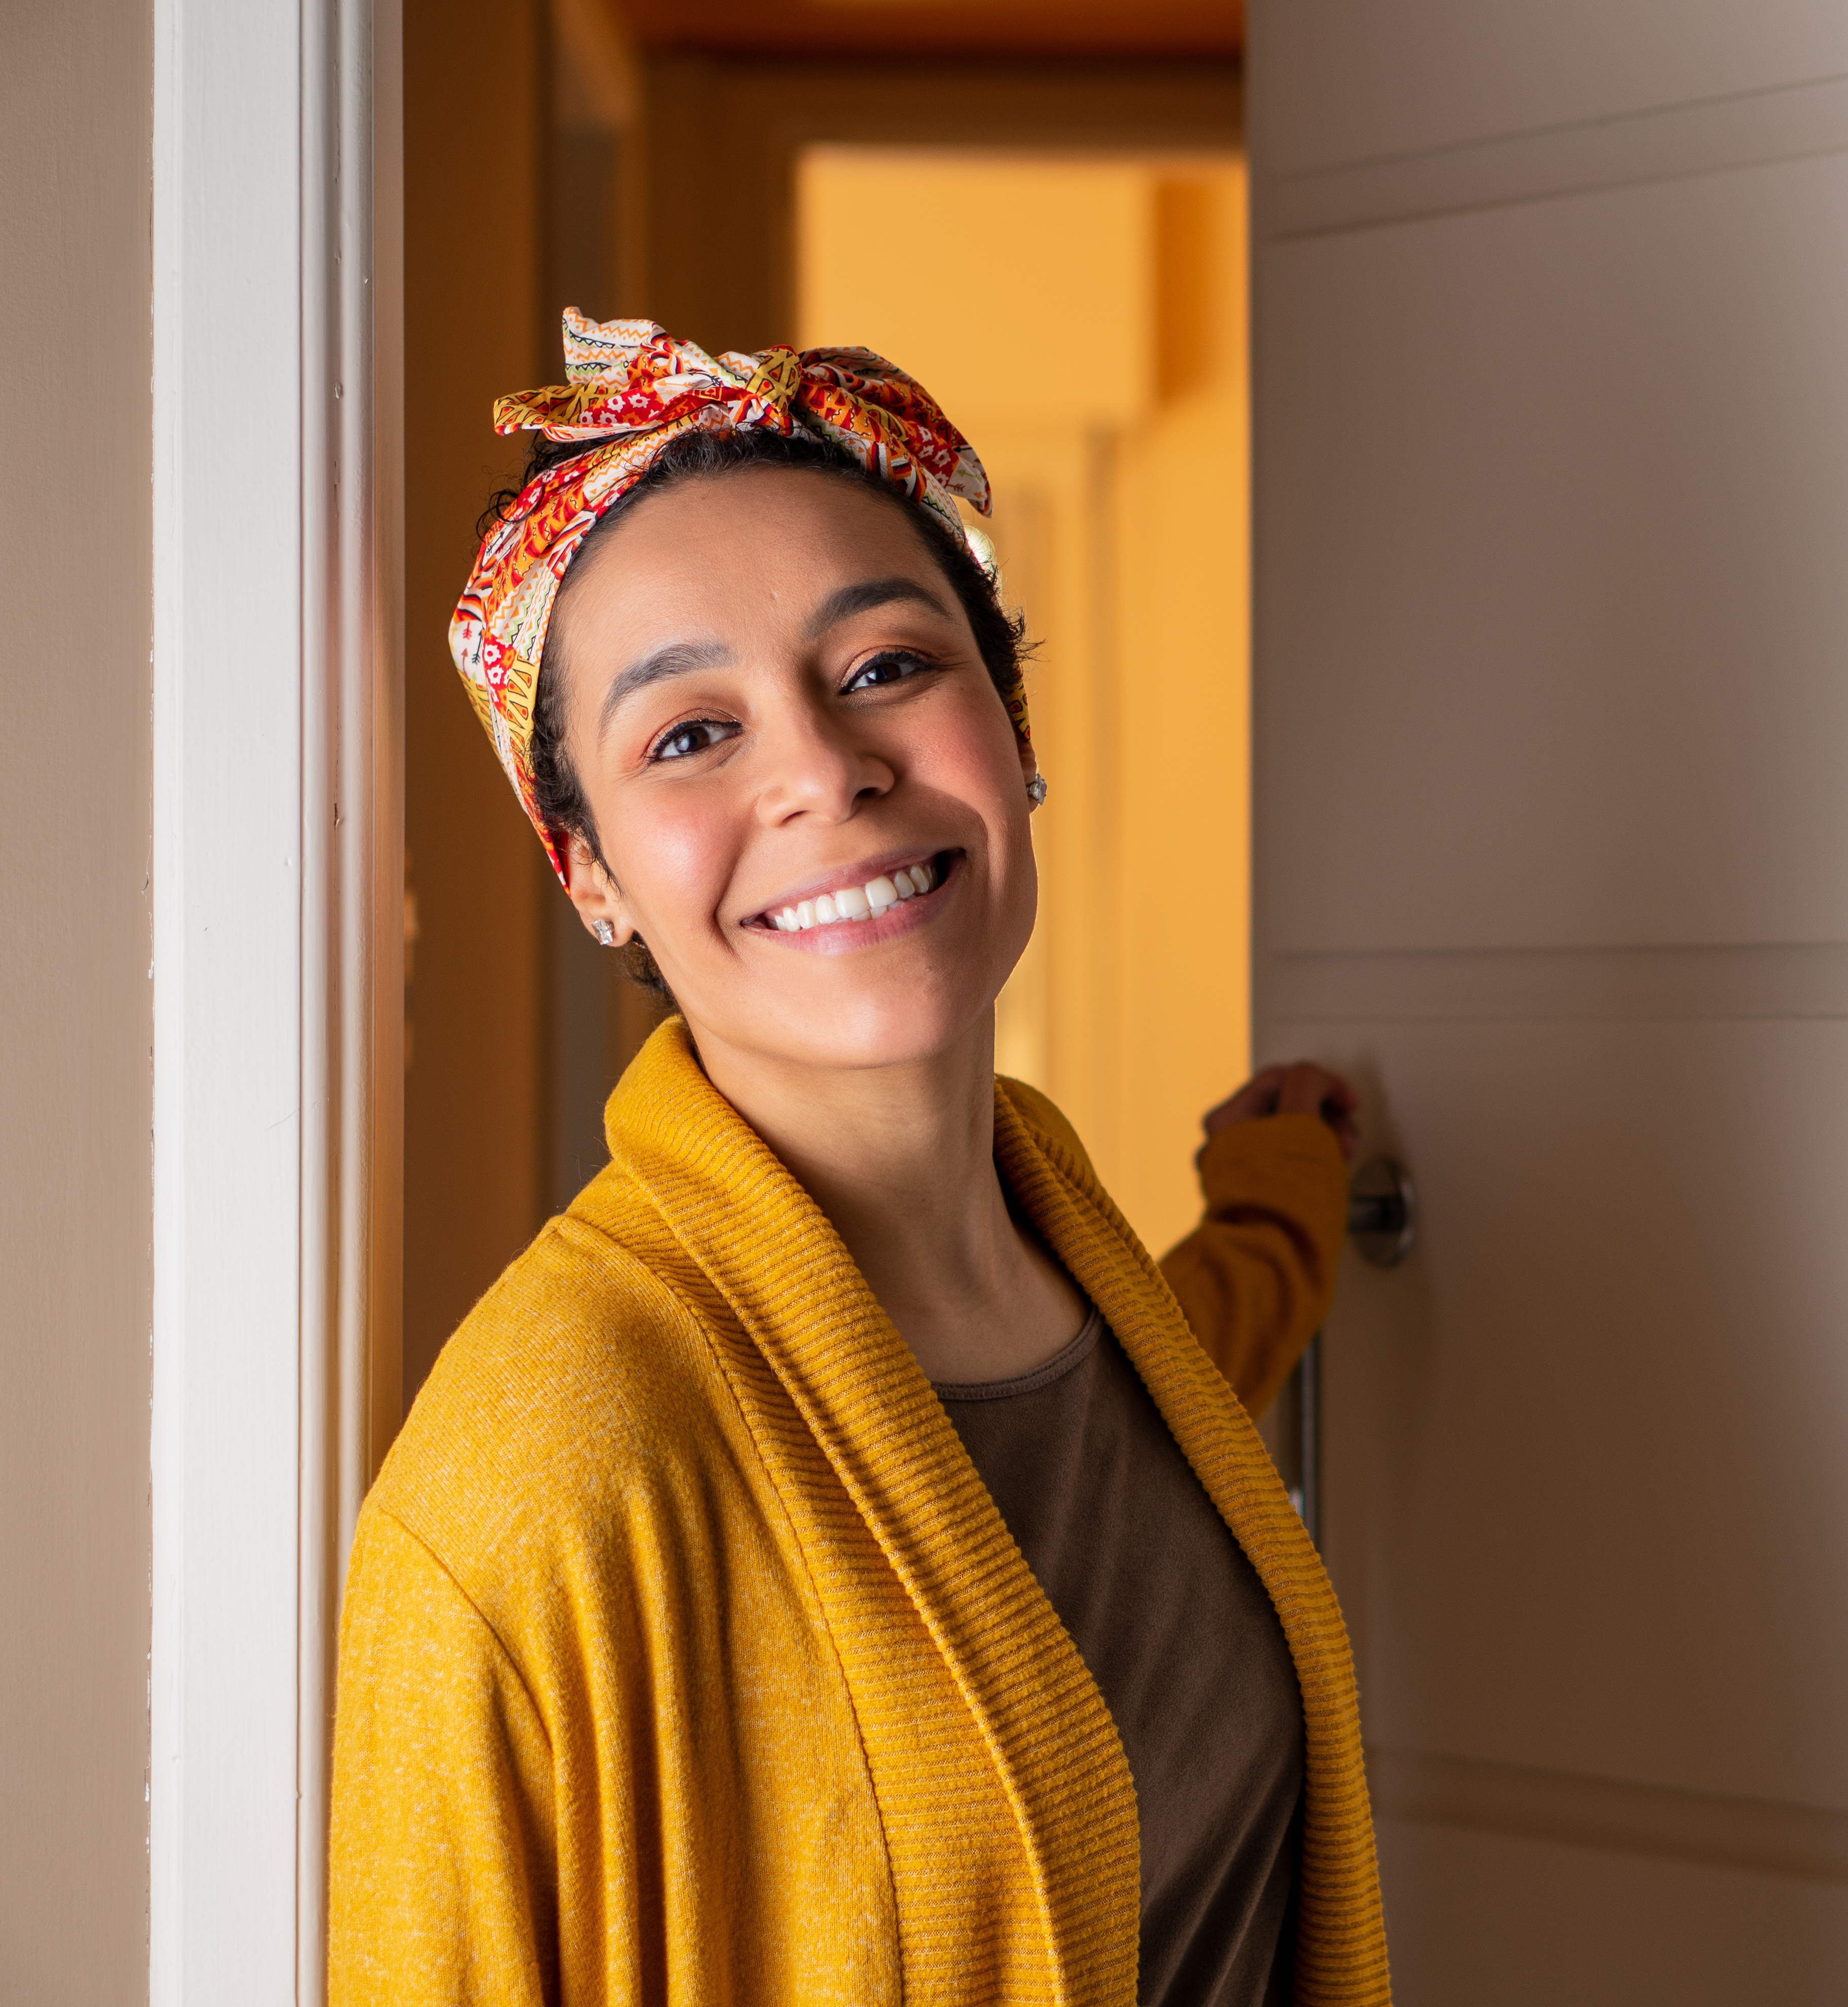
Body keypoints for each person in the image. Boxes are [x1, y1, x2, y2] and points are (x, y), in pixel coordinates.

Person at [330, 311, 1392, 2006]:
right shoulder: (538, 1478)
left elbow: (1126, 1426)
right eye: (689, 734)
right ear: (592, 872)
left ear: (1012, 727)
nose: (825, 768)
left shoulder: (1070, 1259)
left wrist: (1283, 1191)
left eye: (887, 664)